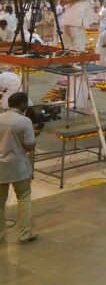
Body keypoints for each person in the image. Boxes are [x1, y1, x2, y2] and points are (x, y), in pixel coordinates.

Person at [0, 92, 38, 245]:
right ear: (22, 104)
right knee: (23, 198)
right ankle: (24, 235)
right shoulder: (24, 121)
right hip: (18, 168)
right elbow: (29, 145)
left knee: (0, 201)